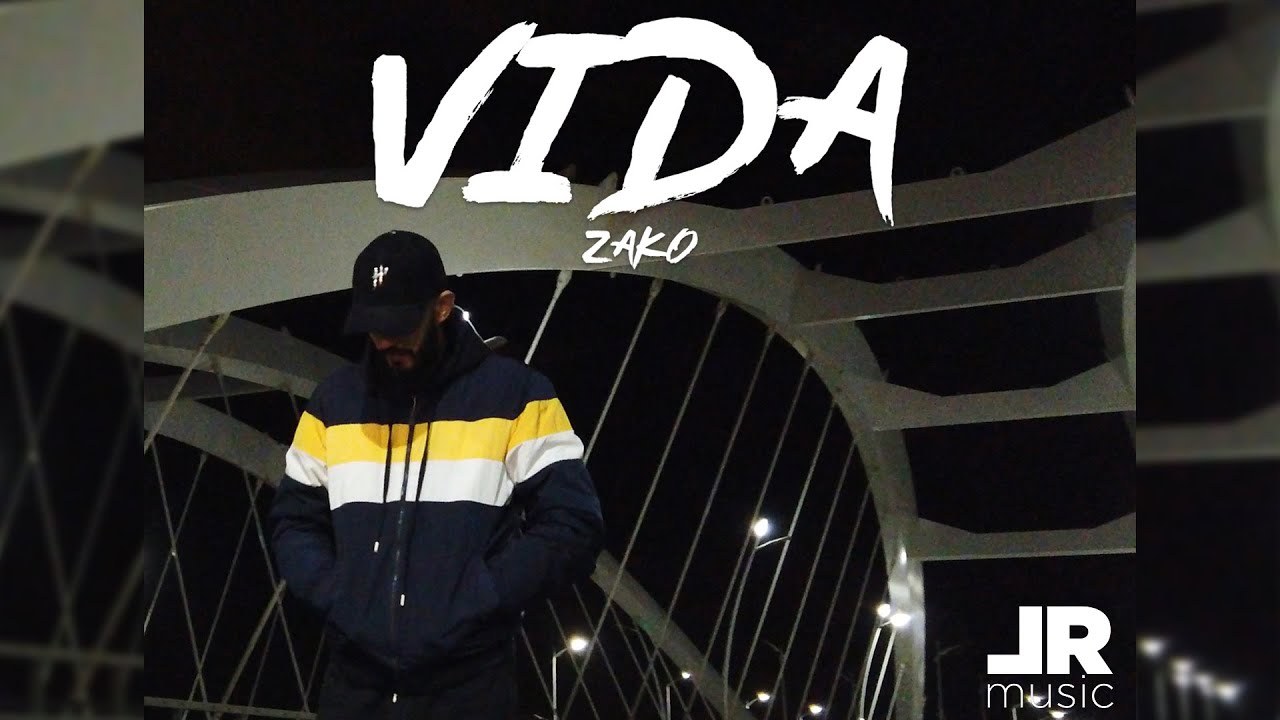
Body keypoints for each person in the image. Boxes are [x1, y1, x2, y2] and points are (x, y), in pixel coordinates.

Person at [269, 230, 605, 719]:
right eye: (373, 326)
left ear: (443, 307)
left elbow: (573, 524)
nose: (384, 341)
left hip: (469, 691)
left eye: (400, 326)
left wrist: (480, 598)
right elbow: (293, 522)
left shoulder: (517, 397)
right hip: (353, 691)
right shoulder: (333, 404)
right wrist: (341, 597)